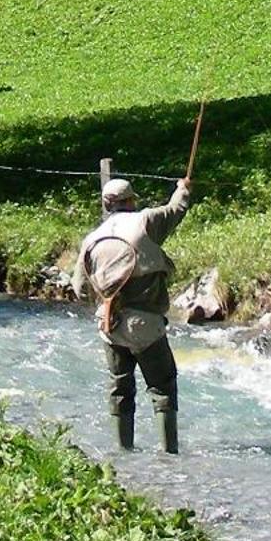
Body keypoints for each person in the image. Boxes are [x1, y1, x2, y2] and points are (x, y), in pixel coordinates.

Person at [73, 173, 193, 453]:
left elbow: (79, 289)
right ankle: (169, 454)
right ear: (132, 200)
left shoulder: (92, 239)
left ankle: (123, 453)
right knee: (162, 387)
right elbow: (176, 210)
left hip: (109, 324)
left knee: (120, 388)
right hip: (146, 324)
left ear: (106, 205)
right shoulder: (146, 221)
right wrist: (183, 189)